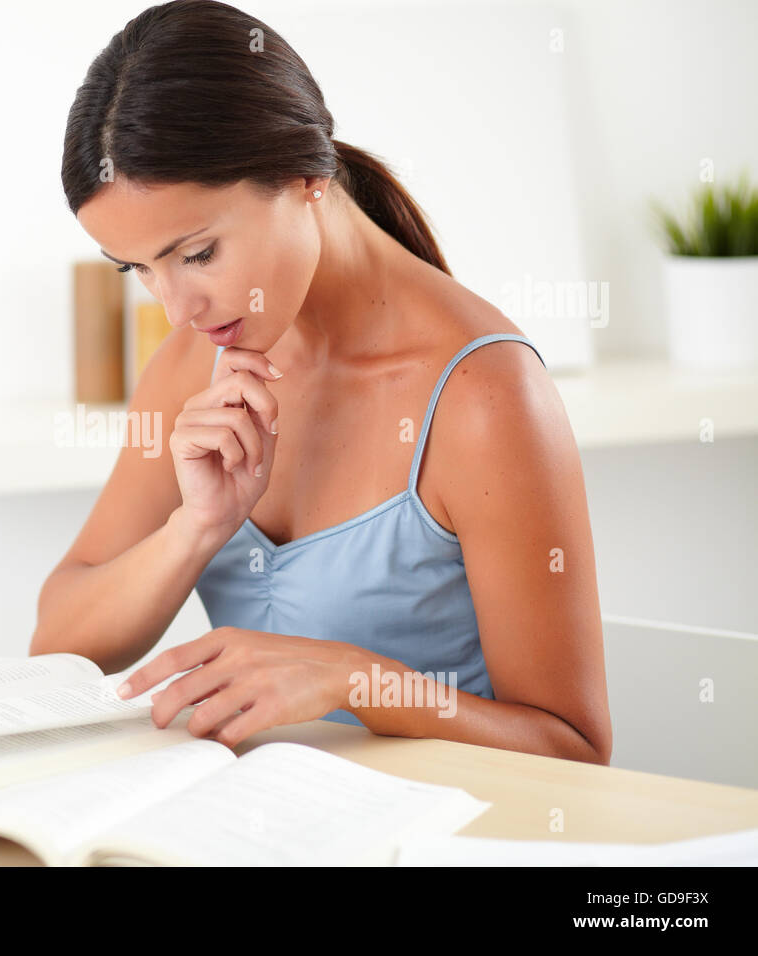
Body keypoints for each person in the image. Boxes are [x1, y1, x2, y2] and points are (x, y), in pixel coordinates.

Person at [32, 0, 611, 764]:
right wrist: (195, 529)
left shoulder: (485, 396)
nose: (175, 307)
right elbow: (58, 642)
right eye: (137, 269)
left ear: (305, 176)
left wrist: (356, 681)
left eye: (198, 254)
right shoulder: (192, 362)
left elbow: (573, 749)